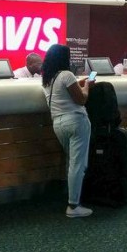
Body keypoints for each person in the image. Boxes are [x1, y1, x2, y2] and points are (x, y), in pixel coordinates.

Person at [42, 44, 94, 218]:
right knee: (78, 164)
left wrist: (79, 83)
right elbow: (81, 100)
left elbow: (63, 92)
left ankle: (72, 196)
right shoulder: (67, 74)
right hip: (76, 122)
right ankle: (73, 206)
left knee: (72, 162)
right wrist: (87, 86)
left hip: (58, 124)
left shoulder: (48, 79)